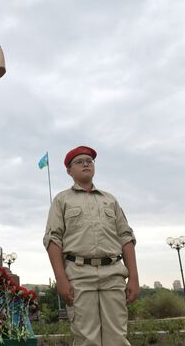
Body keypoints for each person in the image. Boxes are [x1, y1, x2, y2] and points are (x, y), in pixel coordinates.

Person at [43, 146, 139, 346]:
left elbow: (126, 238)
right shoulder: (62, 200)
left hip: (113, 273)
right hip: (79, 275)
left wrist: (134, 278)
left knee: (118, 337)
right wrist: (61, 279)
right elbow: (53, 240)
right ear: (69, 171)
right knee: (87, 339)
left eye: (89, 161)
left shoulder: (109, 200)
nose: (86, 163)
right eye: (79, 162)